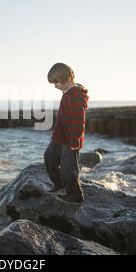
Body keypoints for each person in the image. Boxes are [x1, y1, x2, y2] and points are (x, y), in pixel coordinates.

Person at [44, 62, 89, 203]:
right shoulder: (68, 92)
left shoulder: (75, 94)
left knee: (68, 168)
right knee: (49, 157)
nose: (55, 86)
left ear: (67, 78)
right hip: (60, 137)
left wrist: (75, 141)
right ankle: (59, 184)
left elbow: (78, 120)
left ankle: (75, 195)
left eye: (56, 82)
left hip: (71, 139)